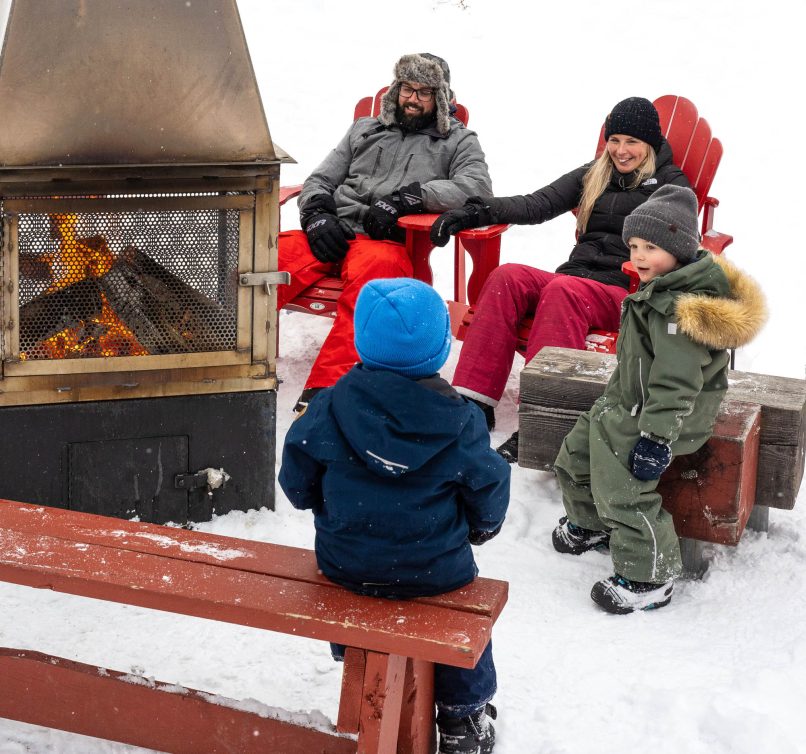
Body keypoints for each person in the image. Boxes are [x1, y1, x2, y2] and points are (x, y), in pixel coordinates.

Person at [279, 277, 510, 753]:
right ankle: (463, 718)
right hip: (435, 568)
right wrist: (482, 527)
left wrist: (321, 502)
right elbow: (489, 482)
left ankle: (359, 660)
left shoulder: (329, 405)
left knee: (374, 595)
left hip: (349, 563)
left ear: (364, 341)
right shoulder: (461, 418)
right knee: (458, 616)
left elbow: (296, 479)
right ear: (439, 348)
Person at [429, 96, 690, 461]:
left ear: (649, 143)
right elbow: (537, 204)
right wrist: (473, 211)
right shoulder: (597, 172)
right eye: (614, 140)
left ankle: (545, 419)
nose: (620, 150)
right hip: (575, 279)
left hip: (625, 291)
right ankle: (474, 401)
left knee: (563, 291)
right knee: (509, 277)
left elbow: (682, 247)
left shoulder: (670, 186)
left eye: (631, 141)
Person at [551, 185, 766, 614]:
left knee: (623, 489)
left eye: (652, 246)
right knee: (574, 457)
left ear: (680, 251)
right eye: (634, 245)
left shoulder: (678, 314)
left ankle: (649, 575)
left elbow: (675, 384)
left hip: (665, 419)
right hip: (629, 401)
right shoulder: (656, 292)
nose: (640, 255)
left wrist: (656, 438)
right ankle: (592, 525)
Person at [277, 52, 492, 413]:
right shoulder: (365, 128)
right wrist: (315, 214)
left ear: (441, 98)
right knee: (265, 266)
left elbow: (476, 187)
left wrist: (411, 199)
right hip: (332, 230)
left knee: (371, 294)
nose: (413, 99)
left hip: (384, 241)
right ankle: (219, 359)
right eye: (408, 88)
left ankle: (327, 394)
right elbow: (320, 179)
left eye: (425, 92)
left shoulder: (457, 140)